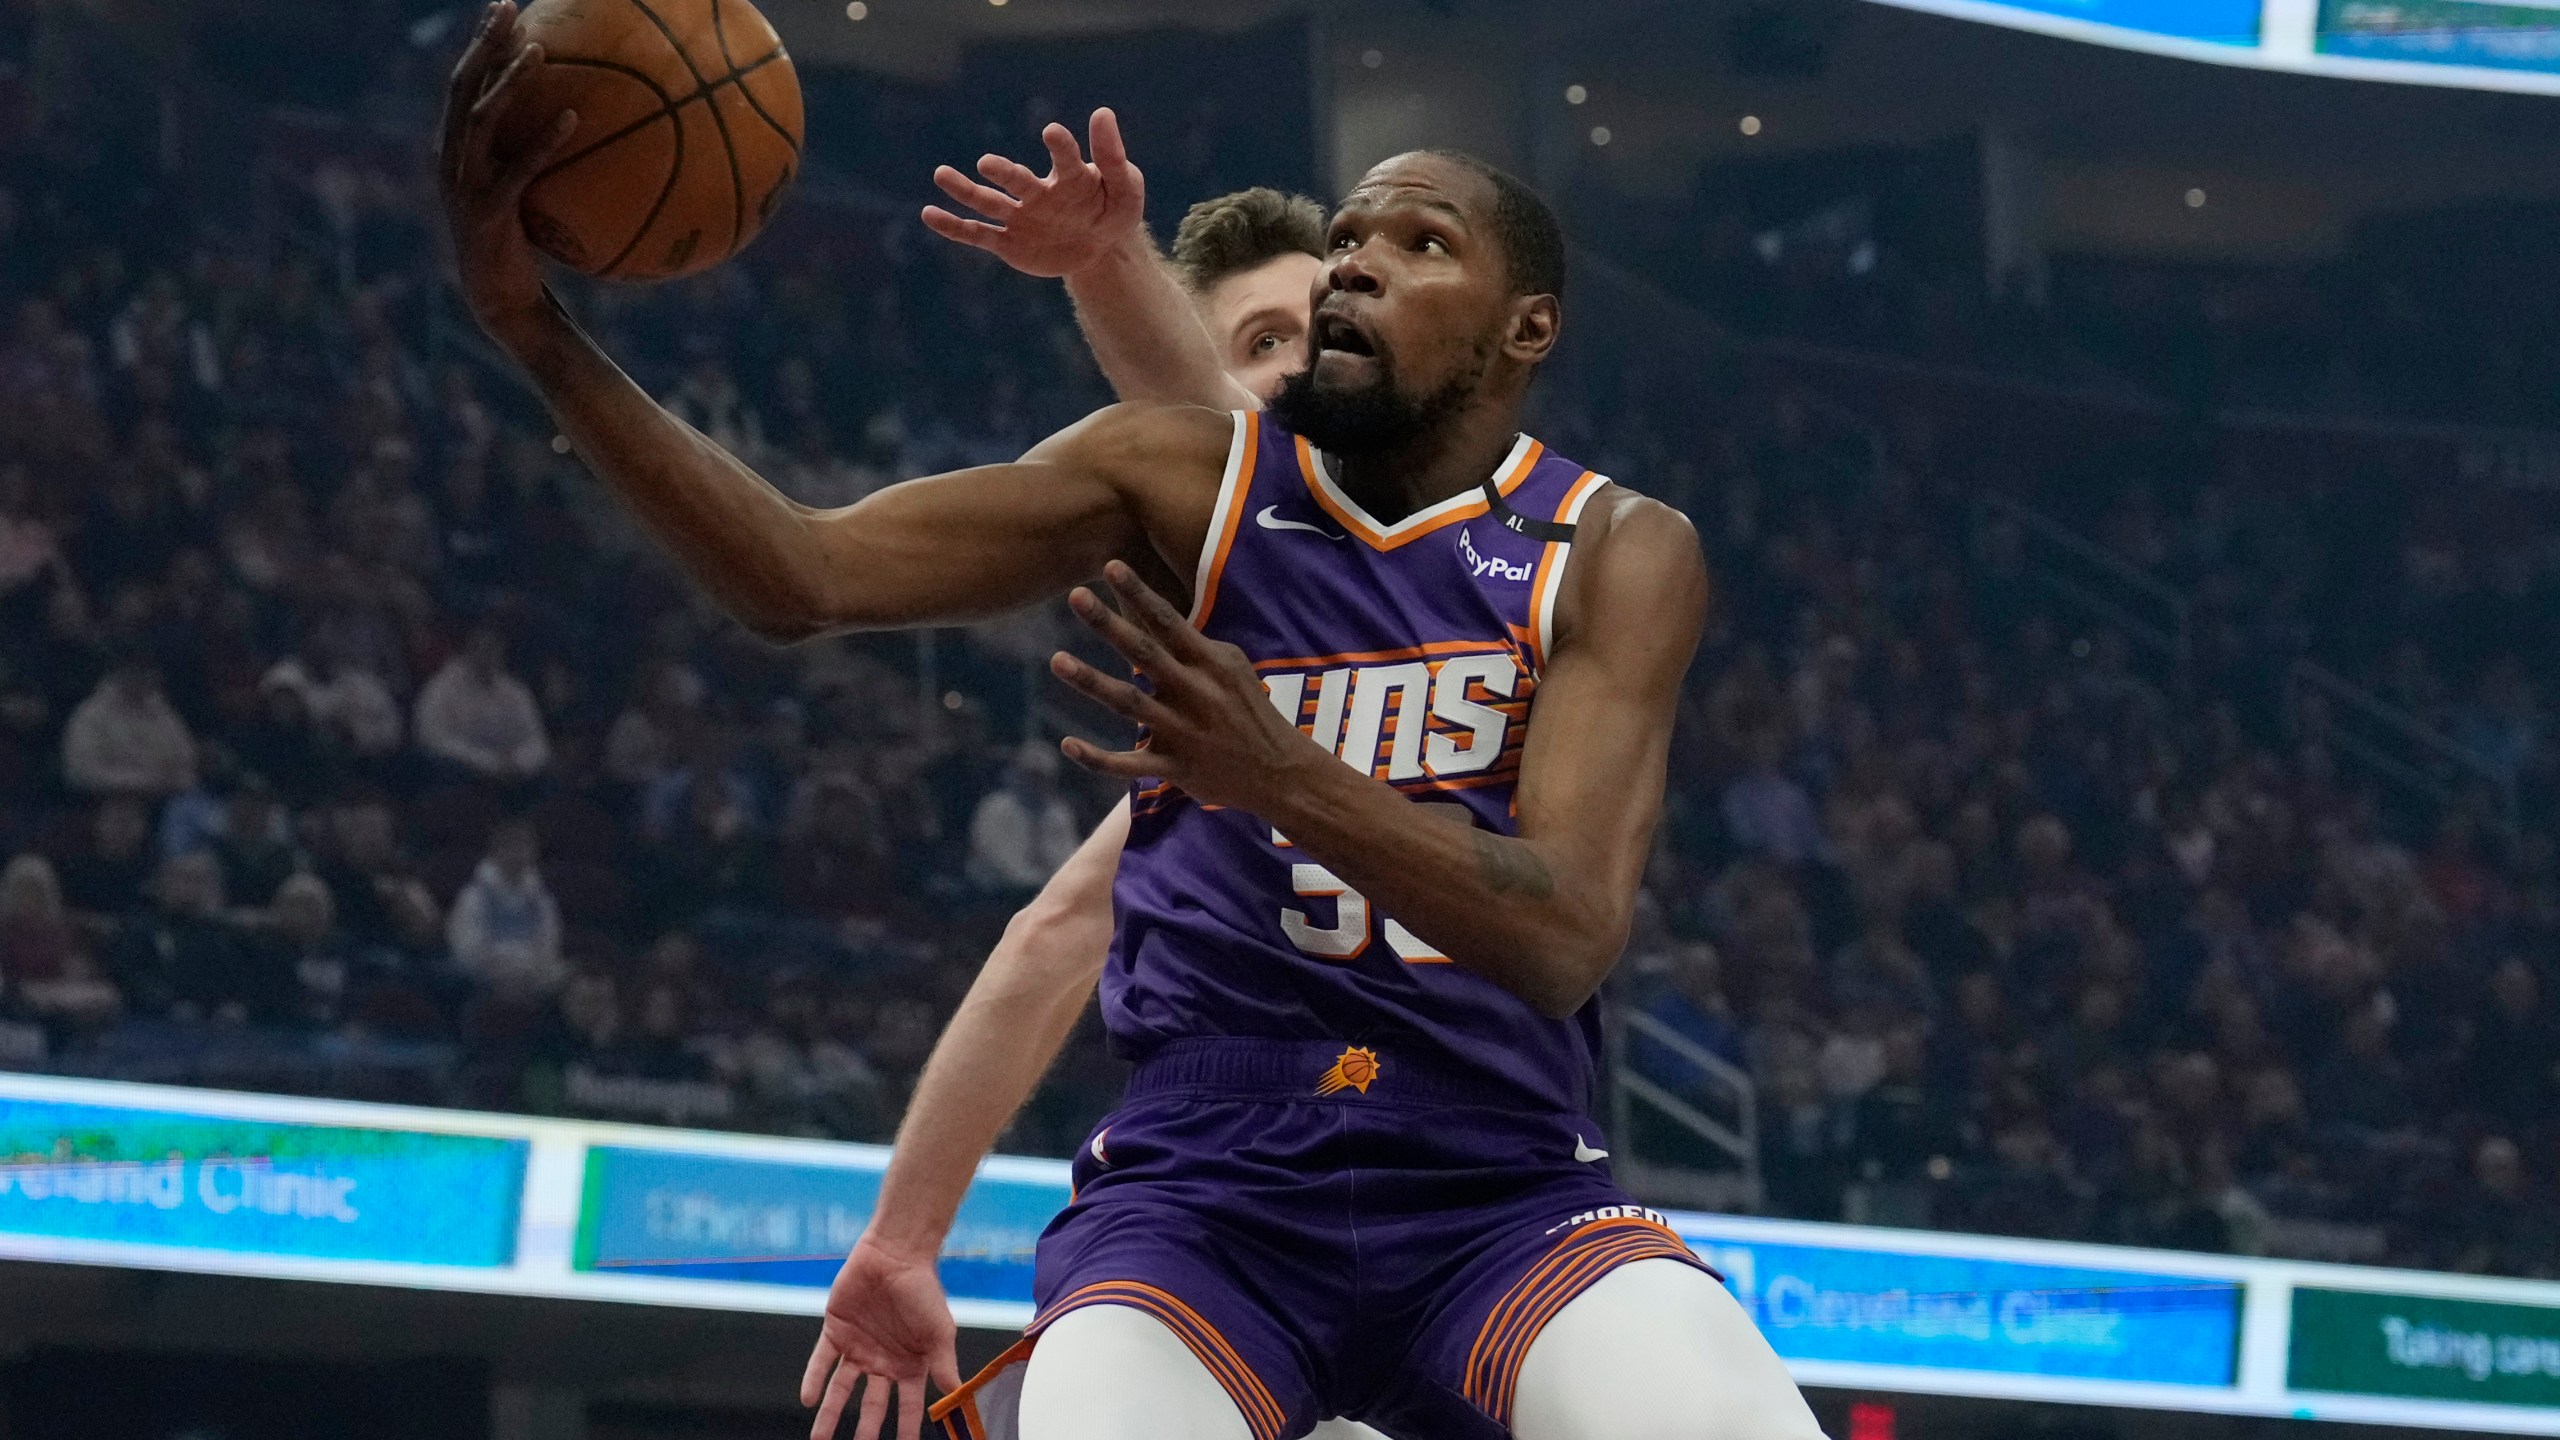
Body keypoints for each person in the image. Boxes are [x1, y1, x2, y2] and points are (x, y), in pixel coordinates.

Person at [444, 17, 1817, 1440]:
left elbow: (1564, 933)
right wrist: (535, 335)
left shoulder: (1615, 546)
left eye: (1421, 243)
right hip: (1204, 1195)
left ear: (1528, 324)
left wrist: (1276, 771)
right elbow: (804, 575)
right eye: (1345, 234)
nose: (1357, 259)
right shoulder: (1182, 481)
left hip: (1501, 1182)